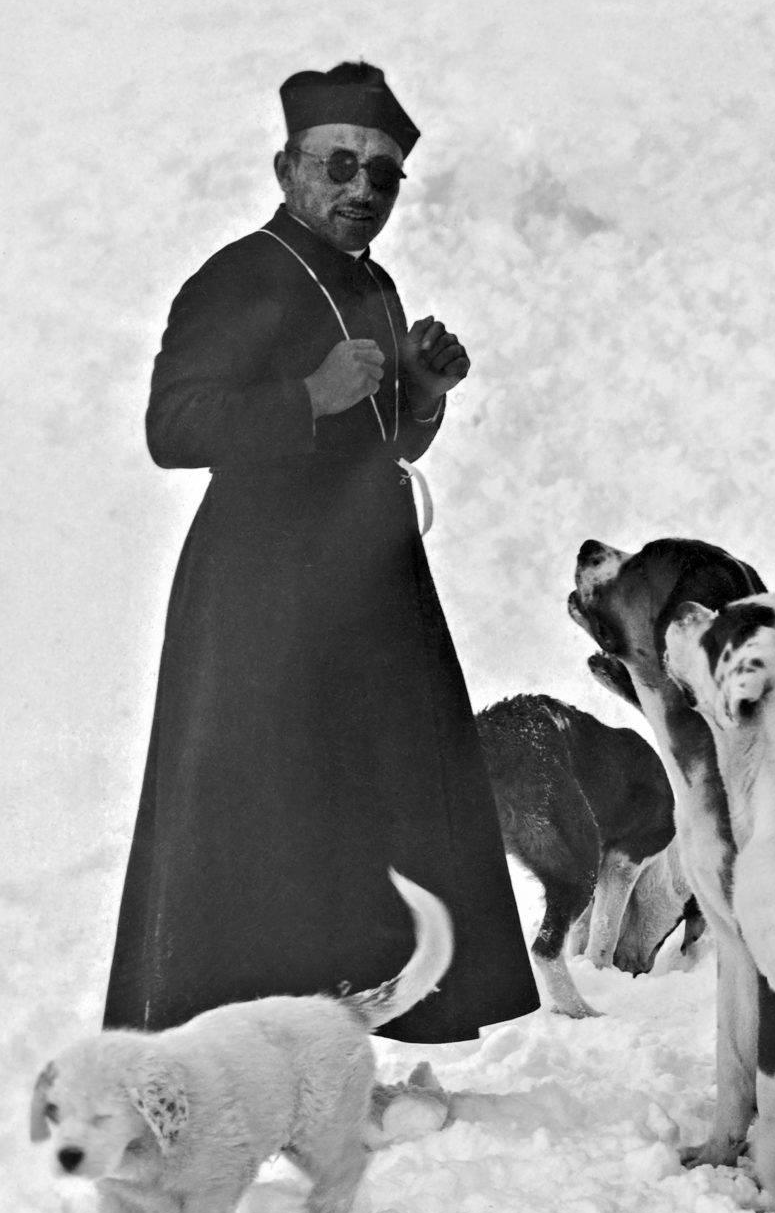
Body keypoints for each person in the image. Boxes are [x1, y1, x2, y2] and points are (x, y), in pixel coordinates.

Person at [105, 62, 536, 1044]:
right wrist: (307, 394)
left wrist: (420, 392)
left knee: (376, 808)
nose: (359, 191)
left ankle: (348, 1049)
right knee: (271, 814)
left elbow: (389, 442)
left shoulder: (374, 283)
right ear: (285, 166)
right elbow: (172, 426)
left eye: (381, 177)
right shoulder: (238, 276)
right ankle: (235, 1057)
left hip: (372, 589)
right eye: (338, 164)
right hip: (263, 595)